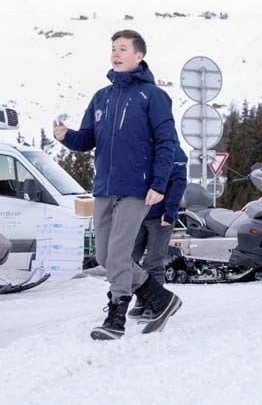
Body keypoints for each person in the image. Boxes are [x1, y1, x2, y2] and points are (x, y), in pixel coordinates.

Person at [54, 30, 183, 340]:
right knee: (104, 257)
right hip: (104, 188)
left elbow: (168, 144)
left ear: (139, 55)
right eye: (113, 48)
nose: (116, 53)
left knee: (120, 252)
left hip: (137, 189)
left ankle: (116, 316)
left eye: (123, 48)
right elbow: (87, 139)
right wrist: (66, 136)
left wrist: (160, 184)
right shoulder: (102, 96)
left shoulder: (153, 97)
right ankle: (161, 297)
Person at [129, 142, 187, 319]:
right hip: (138, 215)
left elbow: (178, 183)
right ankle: (143, 297)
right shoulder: (143, 146)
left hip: (160, 217)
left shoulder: (174, 151)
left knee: (153, 262)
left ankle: (156, 304)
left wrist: (169, 211)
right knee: (127, 259)